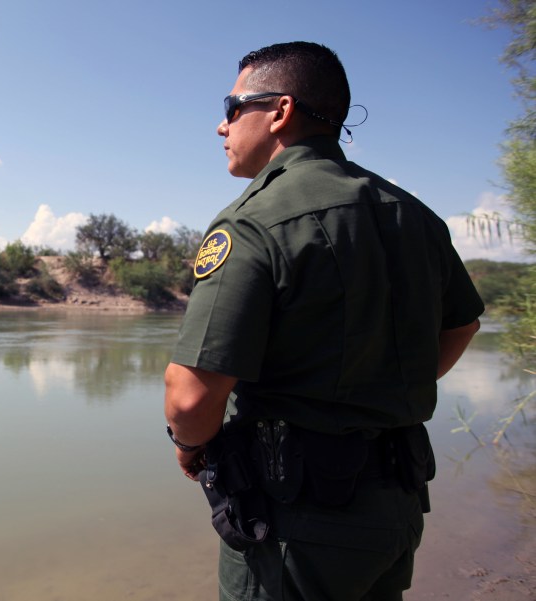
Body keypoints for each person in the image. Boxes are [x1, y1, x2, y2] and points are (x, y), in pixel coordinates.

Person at [163, 41, 484, 601]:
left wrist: (190, 447)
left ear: (281, 111)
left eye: (233, 107)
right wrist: (388, 389)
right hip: (397, 506)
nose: (222, 126)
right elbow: (462, 326)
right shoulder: (415, 215)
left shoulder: (257, 219)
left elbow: (190, 396)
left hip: (296, 522)